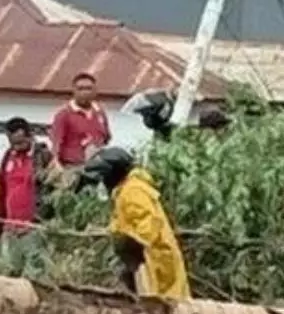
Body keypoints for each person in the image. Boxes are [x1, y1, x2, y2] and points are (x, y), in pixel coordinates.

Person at [80, 147, 191, 301]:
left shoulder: (132, 191)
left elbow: (148, 225)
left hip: (155, 261)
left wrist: (132, 245)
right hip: (150, 260)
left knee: (165, 306)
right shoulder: (125, 190)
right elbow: (126, 222)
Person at [50, 72, 111, 168]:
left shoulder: (100, 112)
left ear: (95, 91)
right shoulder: (64, 115)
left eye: (89, 88)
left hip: (98, 167)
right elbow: (56, 145)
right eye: (80, 89)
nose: (85, 92)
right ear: (73, 91)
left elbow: (106, 138)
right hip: (73, 168)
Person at [0, 118, 39, 236]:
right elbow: (1, 189)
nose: (16, 147)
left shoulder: (41, 156)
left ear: (30, 136)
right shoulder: (8, 156)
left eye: (20, 143)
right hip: (11, 226)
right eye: (12, 143)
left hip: (34, 227)